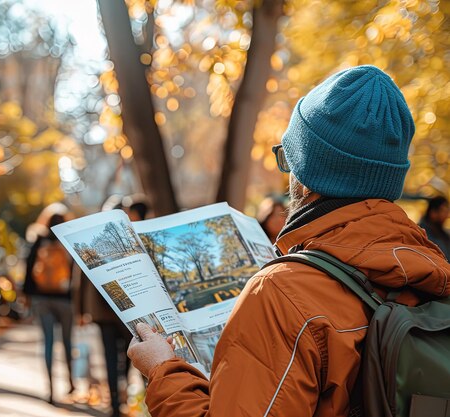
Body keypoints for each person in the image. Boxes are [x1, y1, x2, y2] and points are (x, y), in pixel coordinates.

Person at [126, 65, 450, 417]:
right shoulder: (433, 271)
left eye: (288, 159)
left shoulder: (280, 294)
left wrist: (163, 371)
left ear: (307, 177)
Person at [74, 194, 150, 417]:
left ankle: (117, 403)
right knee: (127, 356)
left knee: (112, 356)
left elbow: (79, 280)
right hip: (123, 311)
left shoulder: (94, 237)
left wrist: (80, 309)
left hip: (105, 312)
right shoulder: (126, 238)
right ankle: (120, 399)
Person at [24, 203, 76, 403]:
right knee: (67, 342)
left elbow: (28, 268)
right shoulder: (68, 241)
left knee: (48, 343)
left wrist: (27, 296)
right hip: (65, 300)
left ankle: (51, 390)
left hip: (42, 298)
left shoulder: (38, 239)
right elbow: (76, 274)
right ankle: (71, 382)